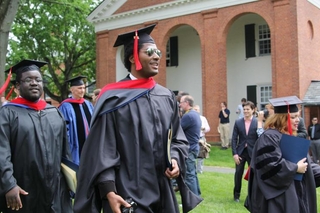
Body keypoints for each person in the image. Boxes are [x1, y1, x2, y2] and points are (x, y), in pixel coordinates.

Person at [73, 24, 202, 213]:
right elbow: (103, 151)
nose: (157, 56)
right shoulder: (113, 98)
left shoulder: (165, 96)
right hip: (126, 192)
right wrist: (108, 190)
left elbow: (178, 139)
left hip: (163, 189)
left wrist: (175, 159)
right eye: (149, 52)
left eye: (157, 52)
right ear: (133, 57)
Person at [0, 59, 72, 213]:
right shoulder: (8, 113)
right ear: (18, 86)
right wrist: (9, 184)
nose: (34, 83)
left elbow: (65, 153)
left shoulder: (54, 112)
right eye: (28, 80)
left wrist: (70, 182)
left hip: (56, 190)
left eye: (37, 79)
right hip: (23, 191)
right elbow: (1, 153)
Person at [247, 96, 320, 213]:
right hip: (278, 200)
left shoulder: (289, 138)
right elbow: (269, 167)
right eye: (293, 117)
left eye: (298, 116)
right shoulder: (269, 137)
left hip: (294, 194)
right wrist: (295, 168)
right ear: (282, 118)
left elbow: (307, 164)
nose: (298, 120)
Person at [58, 76, 94, 165]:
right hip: (74, 144)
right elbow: (65, 129)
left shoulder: (88, 104)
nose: (82, 91)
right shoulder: (65, 106)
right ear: (72, 90)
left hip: (90, 143)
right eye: (79, 88)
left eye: (83, 88)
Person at [231, 101, 258, 202]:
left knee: (253, 175)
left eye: (248, 109)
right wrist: (235, 154)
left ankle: (252, 196)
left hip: (253, 152)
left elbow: (260, 138)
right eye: (244, 109)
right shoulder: (238, 122)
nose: (245, 111)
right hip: (241, 152)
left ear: (253, 110)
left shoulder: (257, 122)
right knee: (238, 174)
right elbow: (234, 139)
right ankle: (236, 196)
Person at [179, 95, 202, 196]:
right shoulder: (195, 114)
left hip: (189, 148)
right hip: (194, 147)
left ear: (187, 103)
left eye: (181, 102)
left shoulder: (188, 116)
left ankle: (193, 198)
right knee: (192, 173)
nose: (180, 104)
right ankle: (197, 194)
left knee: (189, 174)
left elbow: (178, 128)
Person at [193, 104, 211, 174]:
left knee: (201, 155)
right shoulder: (192, 118)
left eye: (197, 110)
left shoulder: (203, 118)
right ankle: (193, 170)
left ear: (199, 110)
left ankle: (199, 170)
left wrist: (204, 129)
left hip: (201, 137)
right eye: (194, 110)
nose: (196, 111)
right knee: (193, 154)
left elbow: (208, 128)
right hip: (194, 138)